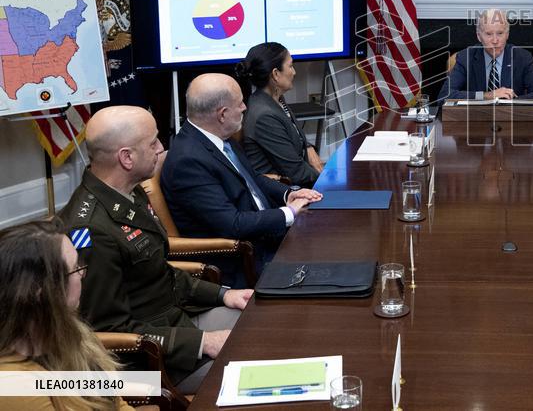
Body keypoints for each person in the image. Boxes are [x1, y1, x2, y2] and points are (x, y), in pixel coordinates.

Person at [57, 106, 252, 395]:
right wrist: (202, 342)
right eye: (153, 143)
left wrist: (224, 293)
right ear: (126, 157)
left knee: (265, 323)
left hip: (176, 318)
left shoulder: (128, 191)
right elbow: (110, 331)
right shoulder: (92, 230)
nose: (162, 149)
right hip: (153, 361)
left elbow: (157, 270)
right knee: (256, 364)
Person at [160, 74, 322, 283]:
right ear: (223, 114)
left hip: (266, 236)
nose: (245, 107)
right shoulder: (188, 161)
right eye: (240, 103)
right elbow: (232, 224)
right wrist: (289, 213)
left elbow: (252, 179)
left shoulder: (219, 137)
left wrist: (289, 193)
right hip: (245, 260)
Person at [0, 220, 134, 411]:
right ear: (41, 290)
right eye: (75, 268)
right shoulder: (16, 387)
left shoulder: (73, 332)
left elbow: (115, 403)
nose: (82, 275)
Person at [236, 42, 323, 188]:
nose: (294, 72)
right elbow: (298, 173)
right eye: (290, 66)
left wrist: (308, 147)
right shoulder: (264, 116)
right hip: (283, 191)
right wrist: (331, 179)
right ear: (276, 74)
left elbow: (295, 133)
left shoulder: (274, 98)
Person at [437, 9, 533, 102]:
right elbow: (444, 96)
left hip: (511, 121)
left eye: (500, 33)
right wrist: (487, 96)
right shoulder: (465, 58)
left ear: (507, 35)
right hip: (475, 122)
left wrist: (507, 100)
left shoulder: (522, 58)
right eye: (488, 34)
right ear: (478, 36)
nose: (495, 40)